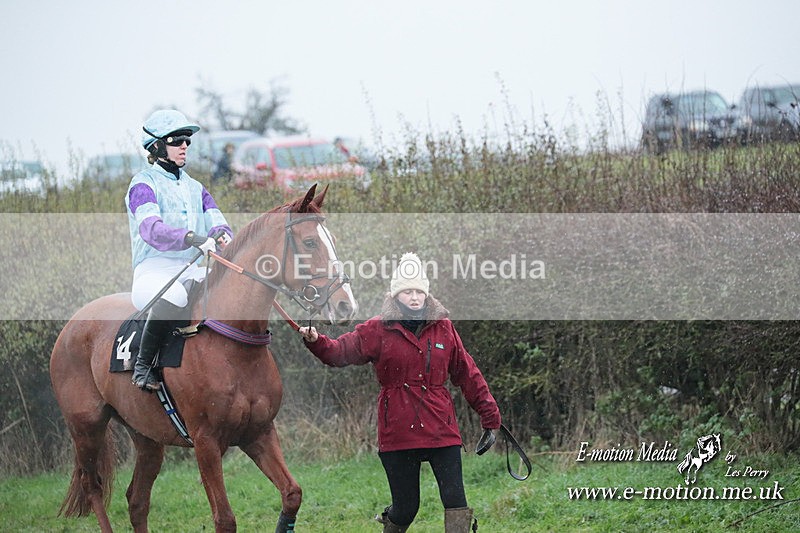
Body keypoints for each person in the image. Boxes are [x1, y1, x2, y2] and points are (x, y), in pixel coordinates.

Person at [298, 252, 501, 533]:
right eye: (407, 291)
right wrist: (316, 340)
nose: (415, 297)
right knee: (406, 508)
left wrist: (490, 416)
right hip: (398, 431)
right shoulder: (376, 329)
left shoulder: (444, 328)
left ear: (427, 294)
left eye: (419, 291)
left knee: (455, 501)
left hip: (441, 427)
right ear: (395, 295)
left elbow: (467, 373)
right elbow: (338, 352)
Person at [125, 109, 233, 392]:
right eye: (177, 140)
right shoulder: (142, 184)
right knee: (174, 295)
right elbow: (150, 228)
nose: (184, 145)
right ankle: (143, 366)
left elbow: (218, 224)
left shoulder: (197, 188)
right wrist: (191, 237)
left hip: (192, 269)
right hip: (154, 270)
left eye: (187, 140)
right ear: (157, 146)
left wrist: (222, 237)